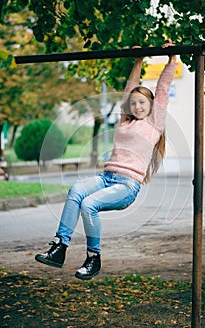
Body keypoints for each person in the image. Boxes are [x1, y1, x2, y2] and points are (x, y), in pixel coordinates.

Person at [35, 41, 177, 280]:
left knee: (89, 204)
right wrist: (138, 61)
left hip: (126, 186)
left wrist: (172, 60)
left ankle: (93, 258)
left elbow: (162, 90)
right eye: (134, 103)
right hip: (106, 178)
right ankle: (59, 247)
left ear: (151, 106)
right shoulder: (125, 121)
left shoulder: (154, 124)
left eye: (142, 102)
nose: (137, 105)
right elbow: (129, 88)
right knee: (76, 190)